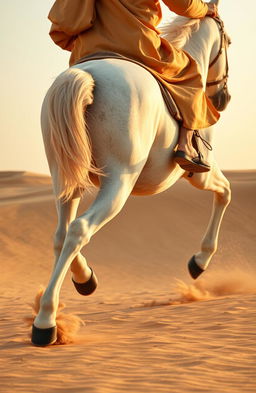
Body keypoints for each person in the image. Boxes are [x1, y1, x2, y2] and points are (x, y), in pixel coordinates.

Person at [48, 0, 219, 172]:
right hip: (136, 46)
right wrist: (206, 8)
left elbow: (65, 16)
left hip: (88, 49)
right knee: (190, 71)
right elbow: (183, 5)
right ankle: (186, 146)